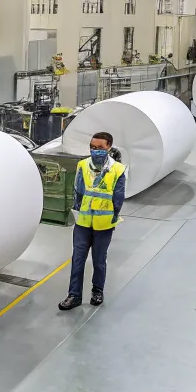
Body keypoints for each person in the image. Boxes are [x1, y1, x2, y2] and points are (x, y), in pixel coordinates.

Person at [59, 131, 126, 311]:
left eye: (99, 148)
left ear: (109, 147)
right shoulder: (82, 165)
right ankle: (74, 296)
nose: (95, 150)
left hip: (103, 224)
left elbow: (118, 197)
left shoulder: (118, 170)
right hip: (83, 222)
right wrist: (77, 210)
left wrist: (113, 216)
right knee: (78, 259)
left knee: (98, 260)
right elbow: (78, 191)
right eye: (92, 147)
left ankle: (97, 291)